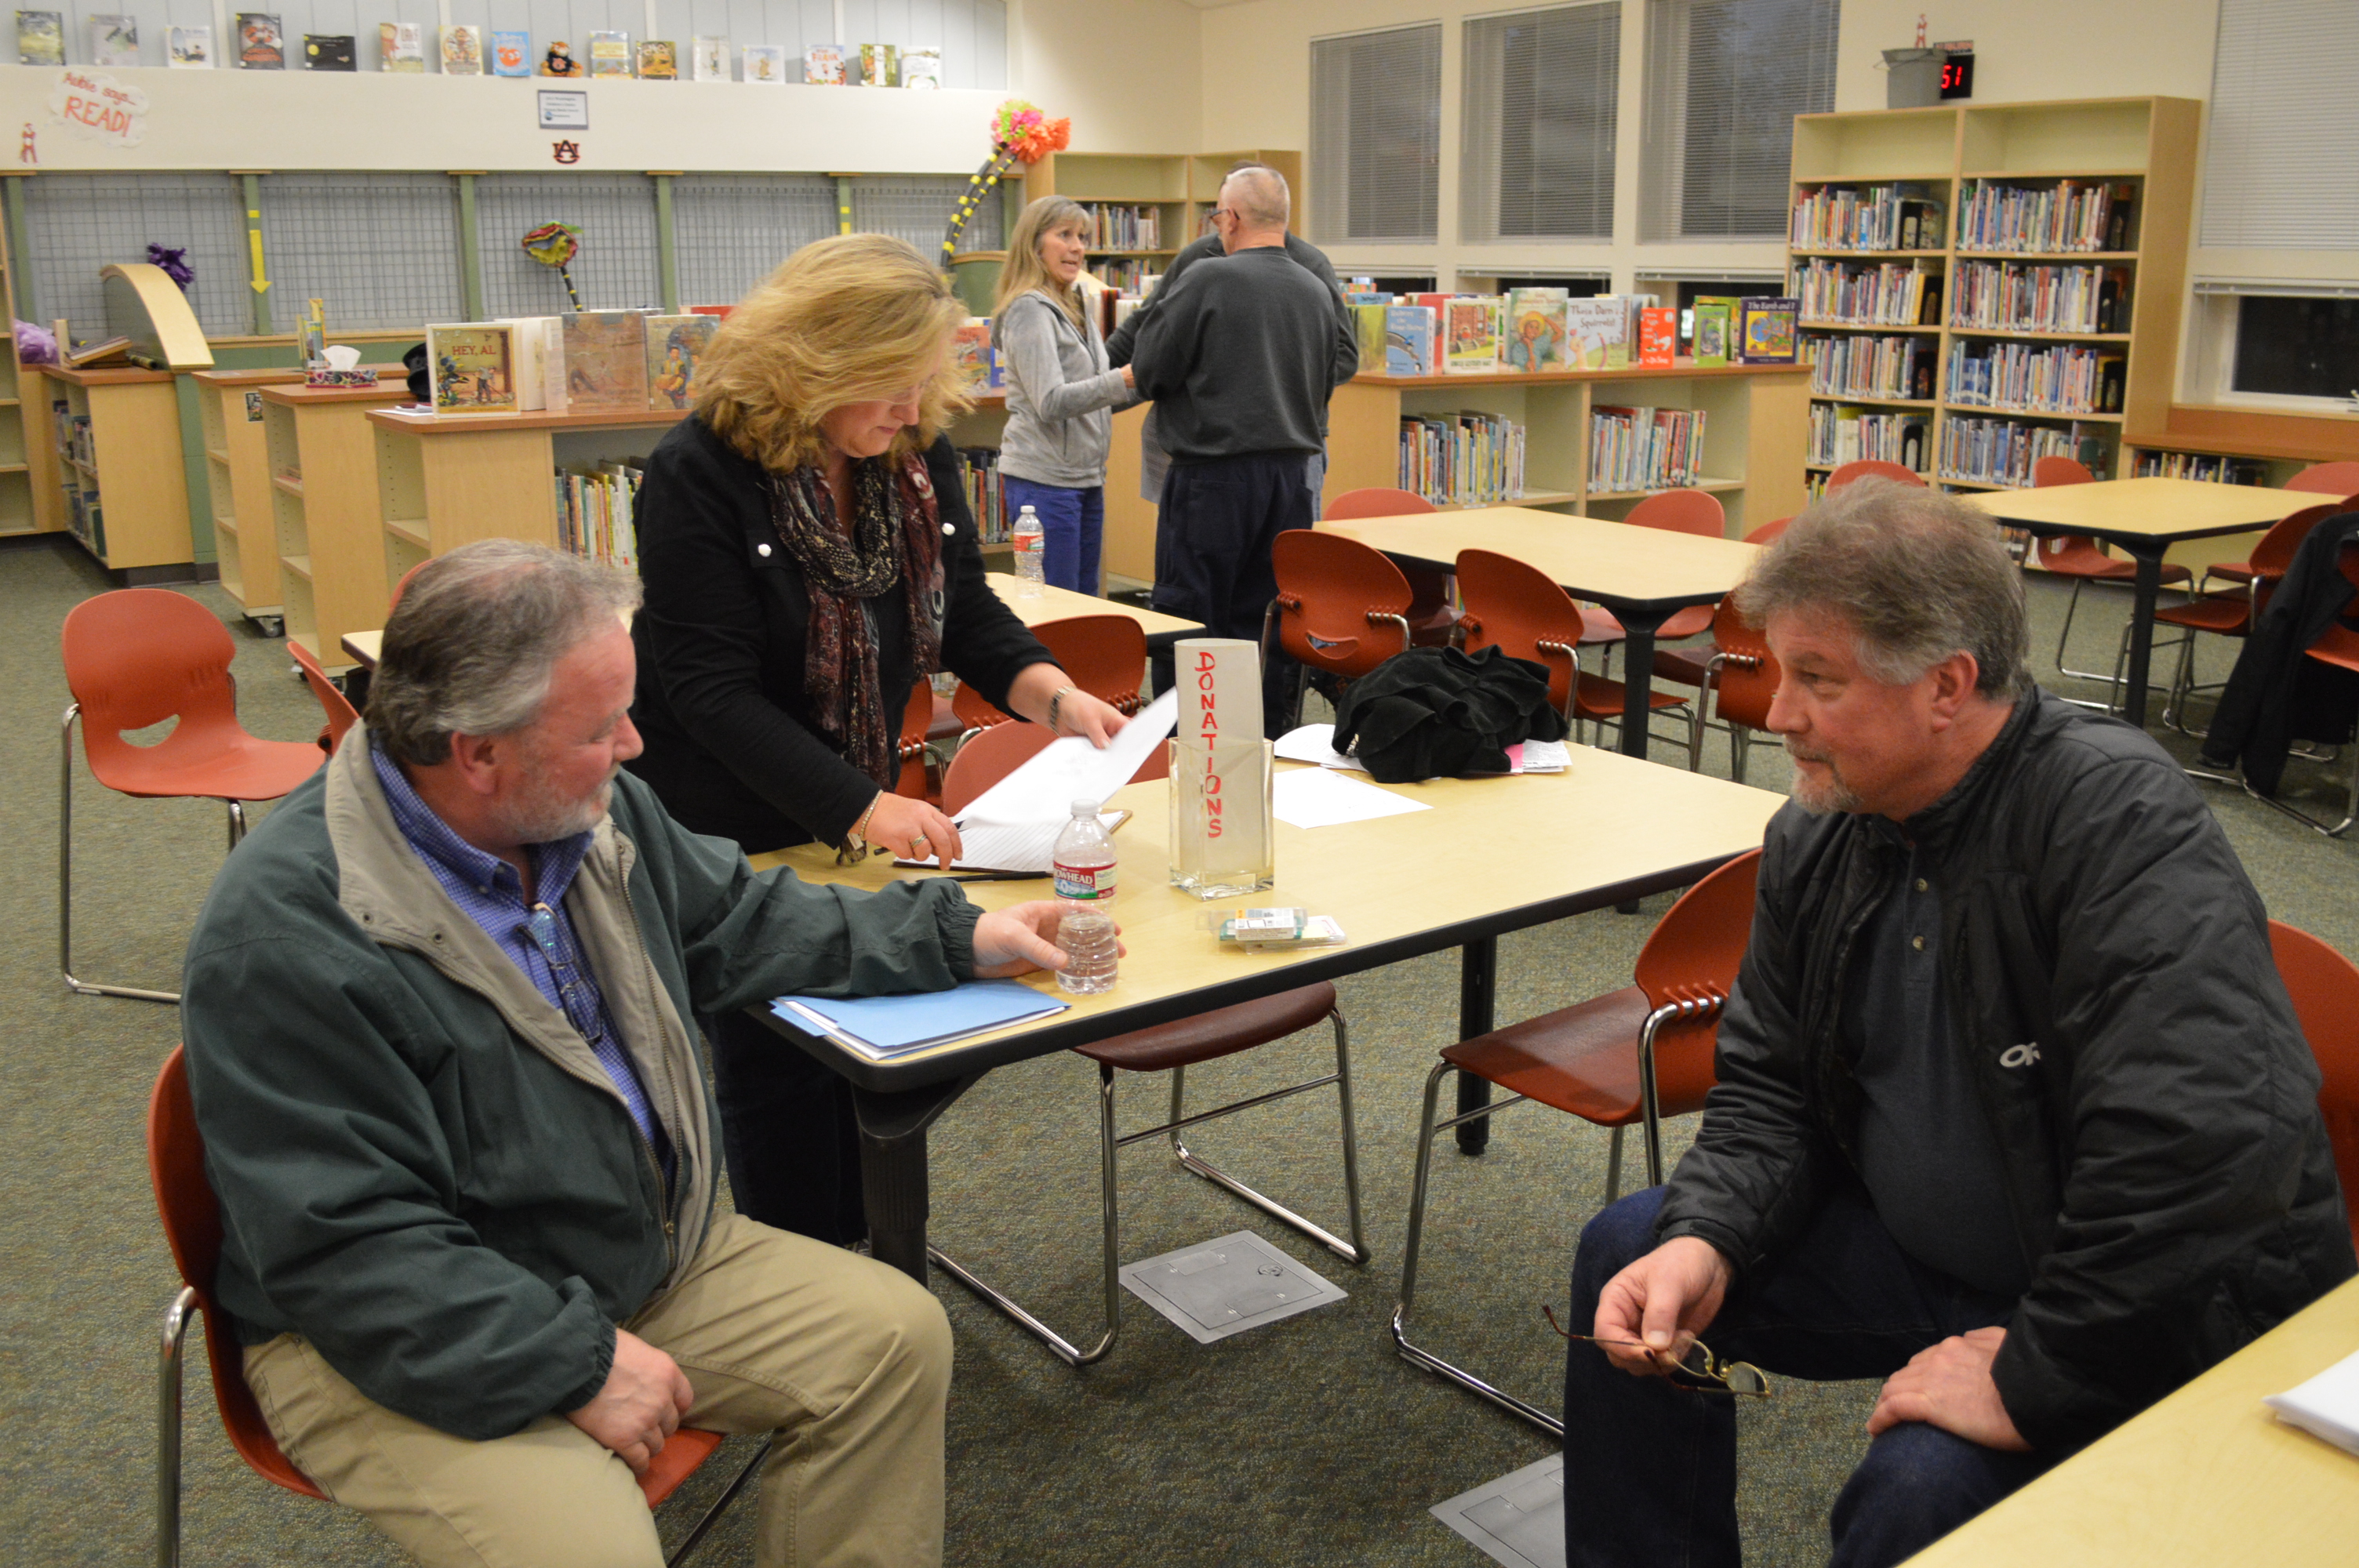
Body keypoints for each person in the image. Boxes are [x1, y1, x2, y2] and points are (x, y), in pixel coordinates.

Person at [181, 541, 1091, 1568]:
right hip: (398, 1324)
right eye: (598, 726)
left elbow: (744, 918)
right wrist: (568, 1361)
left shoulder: (587, 813)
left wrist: (957, 936)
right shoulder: (288, 936)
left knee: (895, 1337)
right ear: (478, 753)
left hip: (629, 1251)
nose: (632, 743)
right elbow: (346, 1247)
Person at [1562, 479, 2355, 1568]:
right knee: (1635, 1254)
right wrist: (1712, 1232)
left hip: (2140, 1294)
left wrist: (2038, 1372)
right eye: (1780, 671)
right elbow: (1769, 1086)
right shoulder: (1821, 828)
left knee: (1919, 1488)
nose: (1778, 713)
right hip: (1924, 1254)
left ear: (1946, 685)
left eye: (1817, 679)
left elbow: (2205, 1144)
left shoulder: (2113, 818)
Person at [623, 233, 1131, 1244]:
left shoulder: (909, 453)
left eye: (922, 381)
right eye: (889, 383)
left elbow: (962, 608)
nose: (912, 407)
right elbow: (708, 692)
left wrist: (1054, 693)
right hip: (731, 814)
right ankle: (809, 1265)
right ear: (811, 363)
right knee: (775, 1062)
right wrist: (864, 803)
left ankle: (875, 1251)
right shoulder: (698, 471)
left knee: (877, 1050)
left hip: (848, 810)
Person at [1125, 165, 1359, 732]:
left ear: (1229, 219)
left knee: (1191, 619)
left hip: (1212, 479)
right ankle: (1266, 739)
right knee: (1268, 617)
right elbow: (1333, 372)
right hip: (1290, 482)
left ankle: (1191, 746)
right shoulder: (1315, 289)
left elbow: (1150, 370)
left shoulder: (1206, 278)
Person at [1106, 160, 1348, 517]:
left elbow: (1342, 354)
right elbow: (1142, 328)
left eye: (1219, 215)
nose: (1219, 226)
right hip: (1256, 456)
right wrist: (1094, 383)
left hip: (1250, 454)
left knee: (1224, 549)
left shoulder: (1306, 267)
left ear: (1232, 216)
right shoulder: (1202, 257)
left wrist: (1267, 385)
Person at [993, 194, 1143, 593]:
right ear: (1034, 244)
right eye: (1064, 235)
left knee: (1085, 600)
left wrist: (1153, 382)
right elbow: (1051, 401)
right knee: (1057, 601)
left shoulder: (1074, 303)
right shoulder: (1028, 309)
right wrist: (1122, 379)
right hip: (1043, 482)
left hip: (1086, 478)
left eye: (1082, 237)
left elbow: (1096, 395)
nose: (1077, 247)